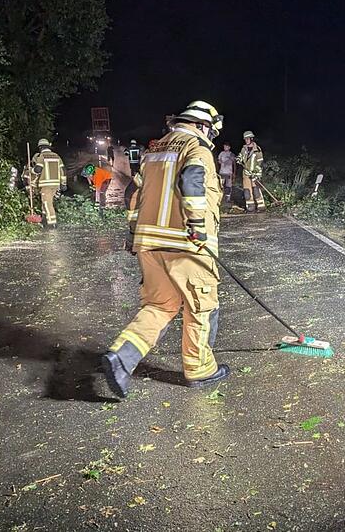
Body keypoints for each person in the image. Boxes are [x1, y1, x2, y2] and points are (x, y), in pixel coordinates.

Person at [102, 100, 228, 398]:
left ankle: (121, 358)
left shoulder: (154, 151)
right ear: (200, 125)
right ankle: (199, 368)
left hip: (149, 243)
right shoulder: (196, 149)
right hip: (185, 244)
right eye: (210, 129)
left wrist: (134, 232)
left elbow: (133, 193)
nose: (211, 136)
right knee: (201, 305)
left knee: (160, 306)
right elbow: (192, 181)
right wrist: (197, 225)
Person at [29, 138, 65, 227]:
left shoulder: (42, 156)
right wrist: (63, 183)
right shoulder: (57, 156)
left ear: (40, 148)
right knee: (46, 202)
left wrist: (30, 170)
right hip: (56, 184)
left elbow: (38, 170)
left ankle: (52, 223)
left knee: (47, 203)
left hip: (46, 184)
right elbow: (62, 170)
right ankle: (44, 219)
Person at [236, 130, 265, 213]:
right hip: (246, 173)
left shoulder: (257, 150)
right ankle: (250, 208)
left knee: (256, 190)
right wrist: (238, 159)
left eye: (248, 139)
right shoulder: (244, 148)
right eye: (245, 139)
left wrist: (256, 174)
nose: (246, 140)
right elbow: (240, 156)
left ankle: (261, 207)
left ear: (252, 139)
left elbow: (260, 164)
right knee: (247, 190)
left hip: (254, 174)